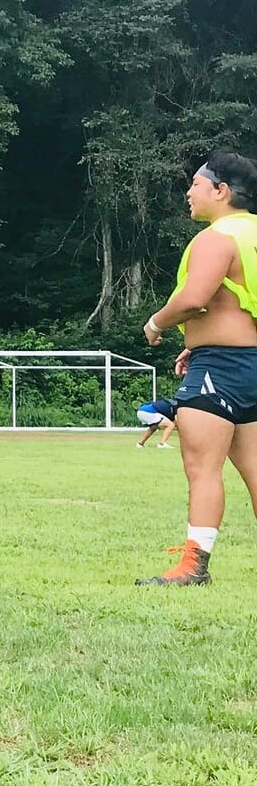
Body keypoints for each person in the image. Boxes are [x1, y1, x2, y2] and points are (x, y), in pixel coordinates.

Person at [138, 150, 257, 586]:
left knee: (202, 467)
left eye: (195, 184)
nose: (188, 192)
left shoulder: (216, 238)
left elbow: (194, 299)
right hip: (249, 363)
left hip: (221, 366)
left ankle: (193, 567)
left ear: (221, 191)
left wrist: (156, 324)